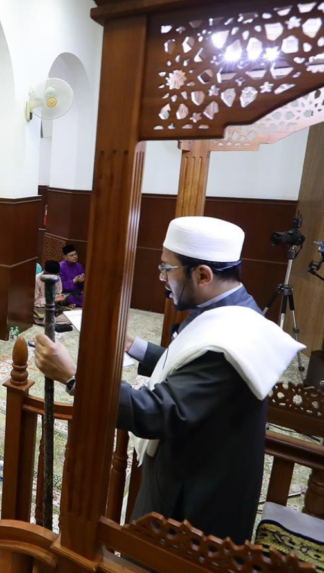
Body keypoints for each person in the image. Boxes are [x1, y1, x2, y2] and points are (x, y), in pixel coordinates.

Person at [33, 216, 303, 544]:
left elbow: (159, 411)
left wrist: (74, 376)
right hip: (191, 471)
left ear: (202, 275)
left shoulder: (231, 339)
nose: (161, 278)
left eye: (167, 269)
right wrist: (133, 346)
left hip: (193, 507)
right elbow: (189, 360)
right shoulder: (229, 309)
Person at [34, 260, 70, 326]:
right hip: (40, 309)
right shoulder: (37, 279)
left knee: (69, 319)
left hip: (53, 308)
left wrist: (60, 297)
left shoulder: (57, 278)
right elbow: (35, 301)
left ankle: (53, 320)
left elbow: (58, 293)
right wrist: (52, 299)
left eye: (56, 275)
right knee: (47, 320)